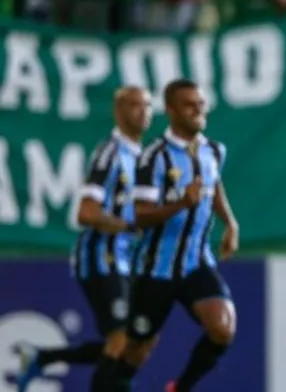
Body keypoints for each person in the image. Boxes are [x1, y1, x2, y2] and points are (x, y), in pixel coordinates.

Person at [16, 87, 151, 392]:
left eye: (146, 105)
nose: (141, 112)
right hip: (102, 255)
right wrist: (127, 226)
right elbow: (86, 212)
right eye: (133, 105)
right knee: (121, 338)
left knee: (136, 340)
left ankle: (43, 357)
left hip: (125, 259)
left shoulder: (140, 158)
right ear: (118, 112)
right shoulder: (111, 153)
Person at [109, 79, 241, 392]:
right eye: (189, 105)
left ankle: (180, 388)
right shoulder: (154, 157)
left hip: (197, 261)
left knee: (222, 327)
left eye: (201, 103)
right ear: (171, 110)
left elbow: (214, 185)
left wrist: (230, 224)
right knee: (137, 349)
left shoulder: (213, 150)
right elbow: (140, 215)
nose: (198, 110)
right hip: (157, 266)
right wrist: (181, 202)